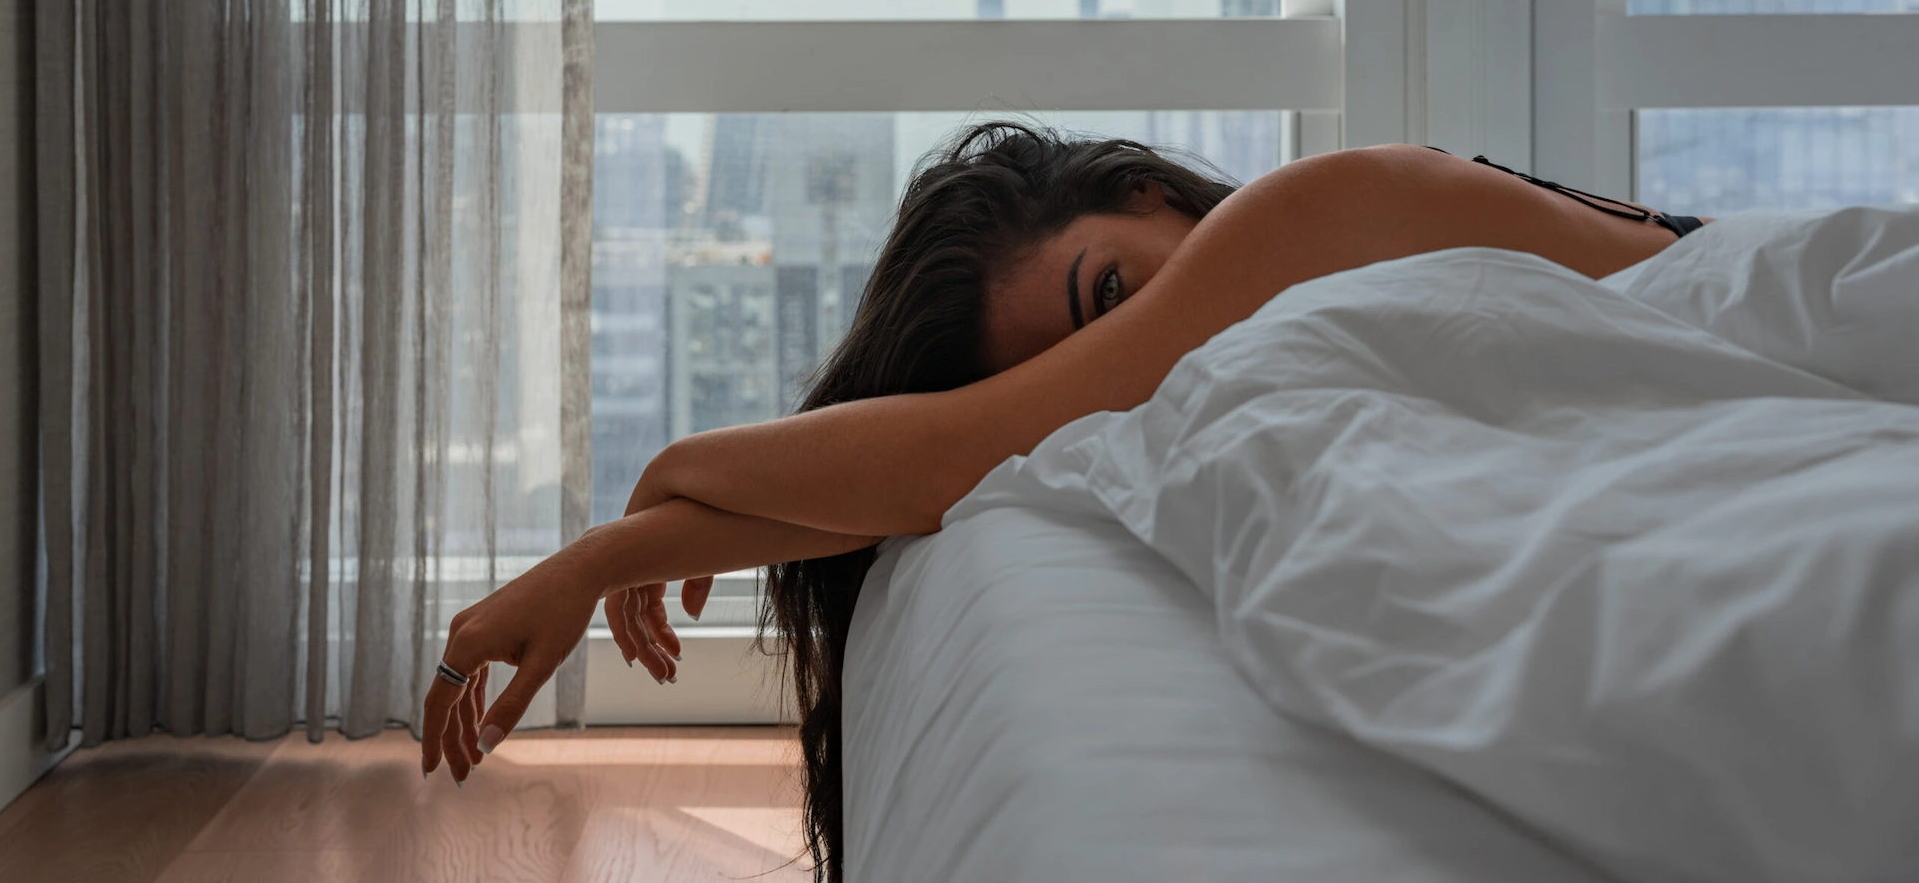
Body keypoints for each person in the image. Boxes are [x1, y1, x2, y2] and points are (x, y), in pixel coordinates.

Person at [418, 122, 1706, 876]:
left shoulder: (1312, 206)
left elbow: (956, 449)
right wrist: (615, 551)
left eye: (1106, 301)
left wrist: (648, 503)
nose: (1113, 376)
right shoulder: (1225, 328)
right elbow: (967, 461)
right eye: (1070, 360)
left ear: (1147, 201)